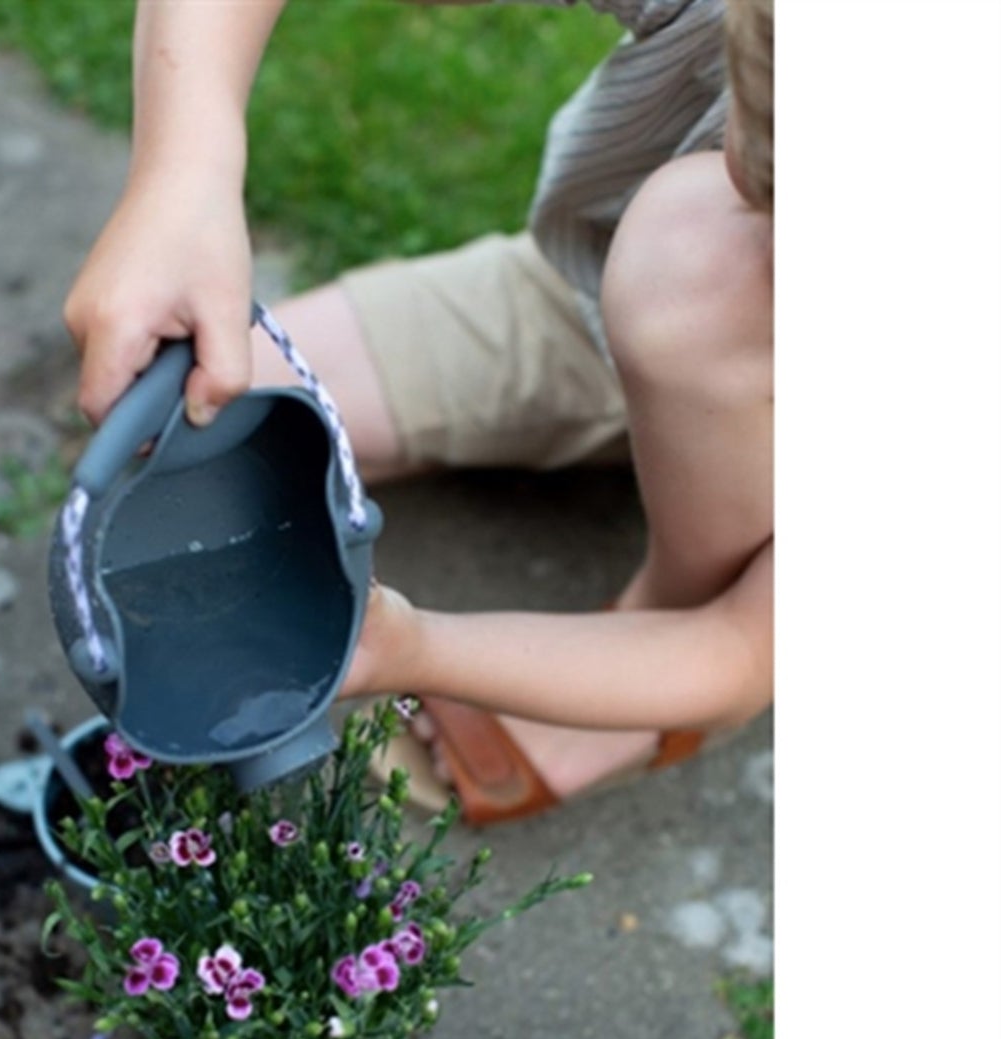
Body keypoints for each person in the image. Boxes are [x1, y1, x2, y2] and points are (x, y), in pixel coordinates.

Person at [64, 0, 773, 825]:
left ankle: (662, 630)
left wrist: (417, 648)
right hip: (597, 299)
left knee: (705, 259)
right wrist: (182, 179)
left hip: (694, 308)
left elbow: (737, 648)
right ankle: (662, 355)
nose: (746, 174)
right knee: (206, 398)